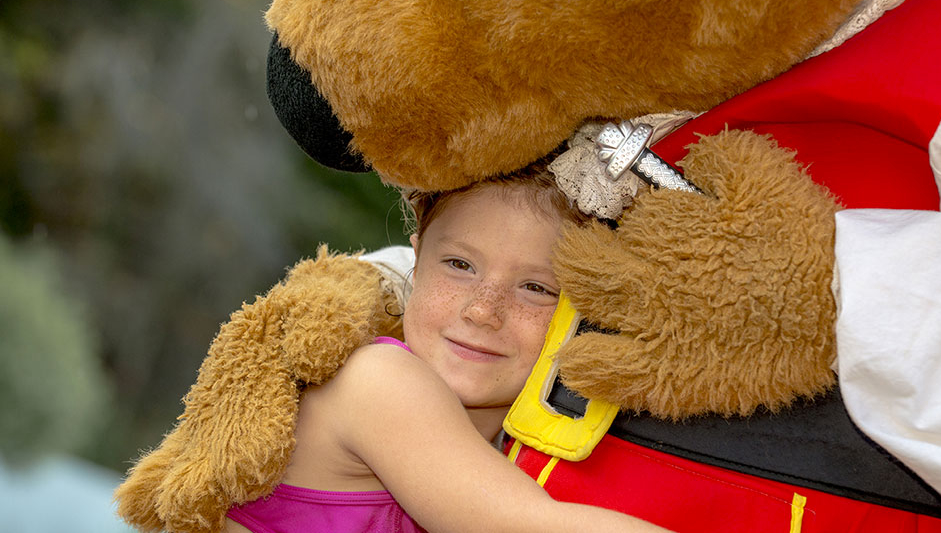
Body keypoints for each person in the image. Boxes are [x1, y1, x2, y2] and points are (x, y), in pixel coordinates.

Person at [222, 162, 670, 533]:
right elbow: (529, 526)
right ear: (415, 263)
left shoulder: (530, 450)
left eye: (536, 288)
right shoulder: (374, 381)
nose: (482, 310)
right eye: (460, 265)